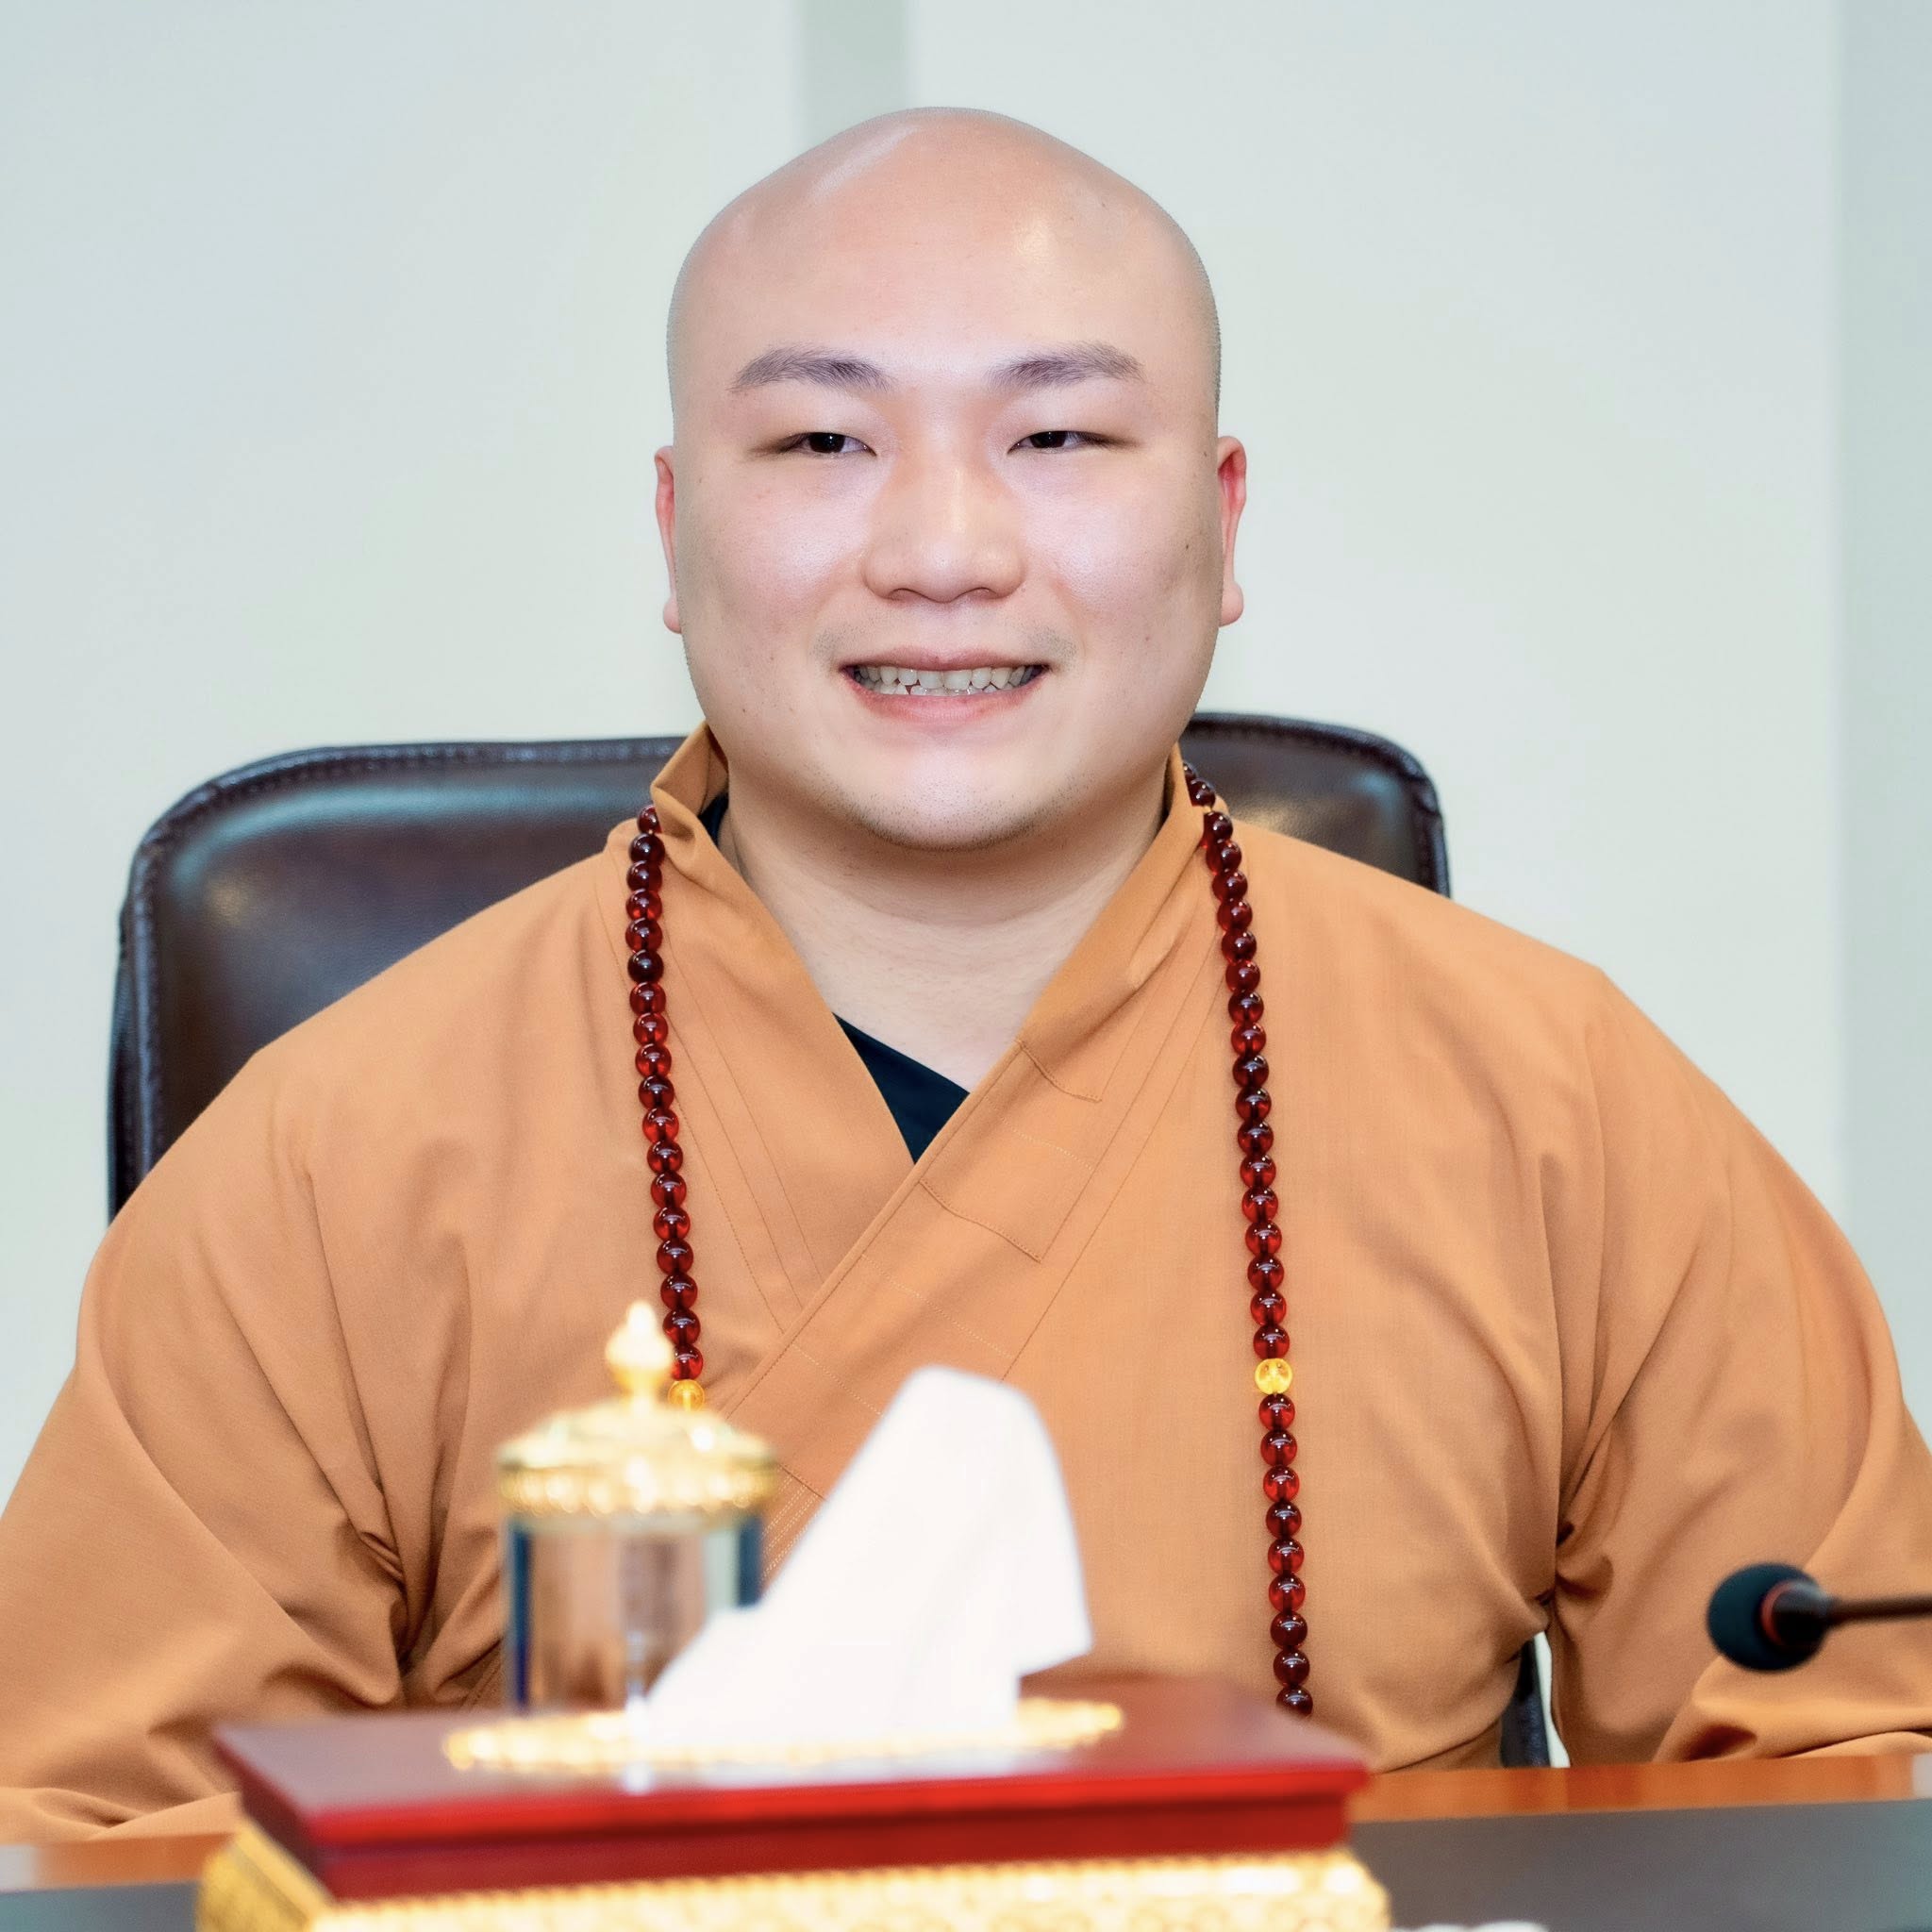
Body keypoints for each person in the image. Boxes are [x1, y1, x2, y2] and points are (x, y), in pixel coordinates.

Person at [1, 108, 1927, 1842]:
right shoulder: (334, 1159)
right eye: (822, 441)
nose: (942, 548)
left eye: (1059, 437)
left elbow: (1839, 1768)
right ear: (673, 527)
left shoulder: (1552, 1102)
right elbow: (104, 1841)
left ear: (1222, 520)